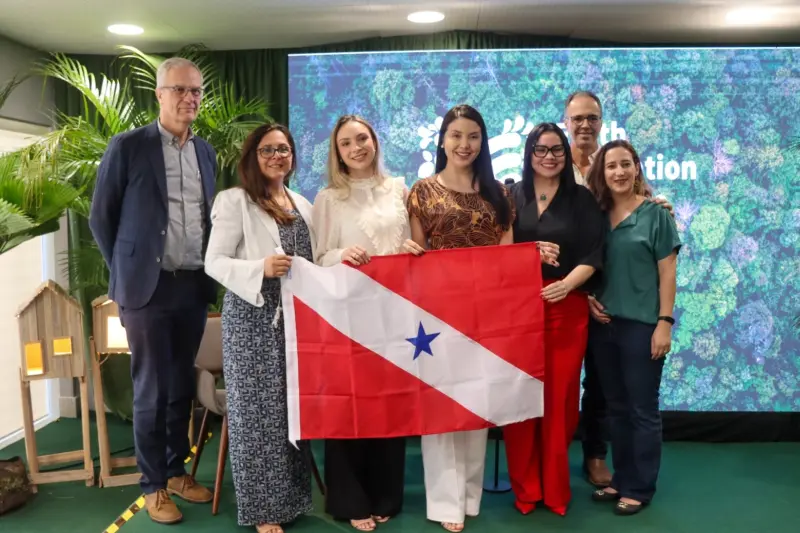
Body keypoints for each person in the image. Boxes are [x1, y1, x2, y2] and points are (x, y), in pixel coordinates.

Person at [89, 57, 217, 524]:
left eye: (196, 91)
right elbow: (101, 217)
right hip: (146, 290)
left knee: (181, 383)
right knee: (150, 388)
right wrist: (128, 271)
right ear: (159, 94)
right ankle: (153, 486)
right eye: (179, 89)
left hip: (192, 286)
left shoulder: (205, 152)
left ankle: (176, 471)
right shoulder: (128, 146)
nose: (189, 98)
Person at [406, 104, 514, 532]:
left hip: (485, 314)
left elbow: (507, 257)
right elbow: (415, 257)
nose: (464, 144)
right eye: (455, 135)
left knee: (476, 405)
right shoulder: (422, 191)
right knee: (440, 410)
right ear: (442, 140)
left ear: (482, 142)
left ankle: (469, 496)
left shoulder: (500, 194)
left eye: (472, 136)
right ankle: (444, 502)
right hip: (435, 317)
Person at [312, 115, 422, 531]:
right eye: (346, 143)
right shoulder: (328, 198)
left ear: (375, 141)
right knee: (348, 406)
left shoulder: (399, 189)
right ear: (337, 153)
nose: (356, 148)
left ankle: (385, 495)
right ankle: (350, 499)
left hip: (394, 314)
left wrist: (413, 249)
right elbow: (318, 257)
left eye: (362, 138)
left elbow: (413, 246)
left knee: (388, 405)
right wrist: (342, 255)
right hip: (348, 317)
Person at [204, 123, 315, 533]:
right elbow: (213, 262)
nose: (276, 156)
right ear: (253, 156)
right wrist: (260, 268)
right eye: (267, 150)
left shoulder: (303, 204)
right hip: (252, 319)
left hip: (297, 322)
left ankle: (293, 499)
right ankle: (263, 510)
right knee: (256, 416)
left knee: (291, 412)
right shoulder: (235, 200)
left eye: (283, 149)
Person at [563, 90, 672, 487]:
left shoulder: (615, 164)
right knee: (571, 383)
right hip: (572, 296)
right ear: (566, 122)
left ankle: (597, 456)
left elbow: (643, 215)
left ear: (601, 121)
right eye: (577, 118)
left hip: (617, 308)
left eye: (592, 118)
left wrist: (660, 205)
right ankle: (559, 458)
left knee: (603, 389)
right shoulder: (553, 164)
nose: (585, 125)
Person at [502, 123, 605, 516]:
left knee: (559, 401)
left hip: (566, 307)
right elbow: (499, 251)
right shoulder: (511, 195)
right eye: (541, 149)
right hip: (518, 310)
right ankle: (526, 489)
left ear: (566, 153)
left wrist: (567, 285)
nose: (549, 157)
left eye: (557, 149)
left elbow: (595, 253)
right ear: (529, 153)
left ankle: (555, 489)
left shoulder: (582, 199)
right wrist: (528, 253)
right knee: (520, 399)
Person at [585, 140, 680, 515]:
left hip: (643, 327)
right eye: (611, 166)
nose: (619, 172)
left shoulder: (656, 214)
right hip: (604, 327)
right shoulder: (596, 215)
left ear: (637, 168)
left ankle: (640, 487)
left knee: (642, 409)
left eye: (626, 164)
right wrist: (589, 297)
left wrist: (664, 323)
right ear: (602, 172)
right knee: (617, 408)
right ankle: (622, 479)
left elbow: (667, 271)